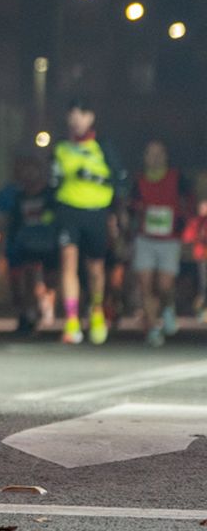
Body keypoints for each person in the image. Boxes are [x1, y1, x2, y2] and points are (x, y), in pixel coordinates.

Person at [50, 98, 126, 346]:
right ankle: (71, 321)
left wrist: (117, 212)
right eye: (71, 115)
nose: (76, 120)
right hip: (69, 211)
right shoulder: (61, 148)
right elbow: (53, 182)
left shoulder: (103, 147)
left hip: (97, 212)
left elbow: (120, 181)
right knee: (68, 265)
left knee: (96, 269)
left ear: (91, 117)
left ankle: (96, 310)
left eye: (81, 114)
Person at [130, 140, 188, 347]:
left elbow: (188, 201)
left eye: (159, 153)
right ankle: (153, 329)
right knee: (146, 286)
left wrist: (184, 225)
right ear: (144, 157)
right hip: (145, 239)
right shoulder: (138, 180)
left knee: (164, 286)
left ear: (166, 156)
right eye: (150, 153)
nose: (154, 158)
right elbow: (130, 207)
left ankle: (168, 307)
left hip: (169, 240)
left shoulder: (177, 177)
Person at [0, 155, 59, 335]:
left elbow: (57, 218)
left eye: (33, 170)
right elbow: (8, 220)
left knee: (50, 280)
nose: (29, 174)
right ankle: (27, 316)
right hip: (26, 245)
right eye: (26, 171)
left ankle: (46, 309)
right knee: (27, 279)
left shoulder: (49, 194)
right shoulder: (18, 196)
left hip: (47, 244)